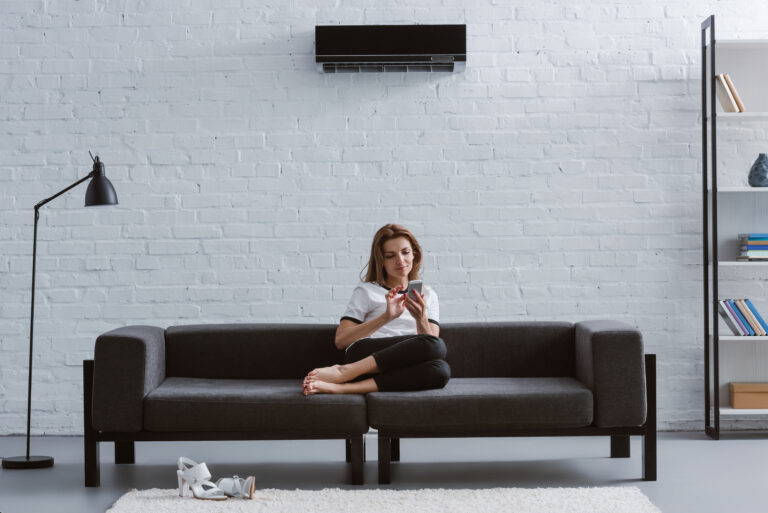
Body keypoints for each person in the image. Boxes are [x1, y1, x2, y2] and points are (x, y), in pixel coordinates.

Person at [303, 224, 450, 395]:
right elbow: (341, 340)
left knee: (441, 370)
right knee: (437, 346)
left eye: (405, 252)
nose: (400, 260)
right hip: (365, 355)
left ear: (414, 254)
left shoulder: (428, 295)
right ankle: (344, 371)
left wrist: (421, 318)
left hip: (404, 363)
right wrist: (386, 317)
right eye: (390, 255)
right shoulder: (366, 290)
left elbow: (430, 349)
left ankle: (343, 387)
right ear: (381, 260)